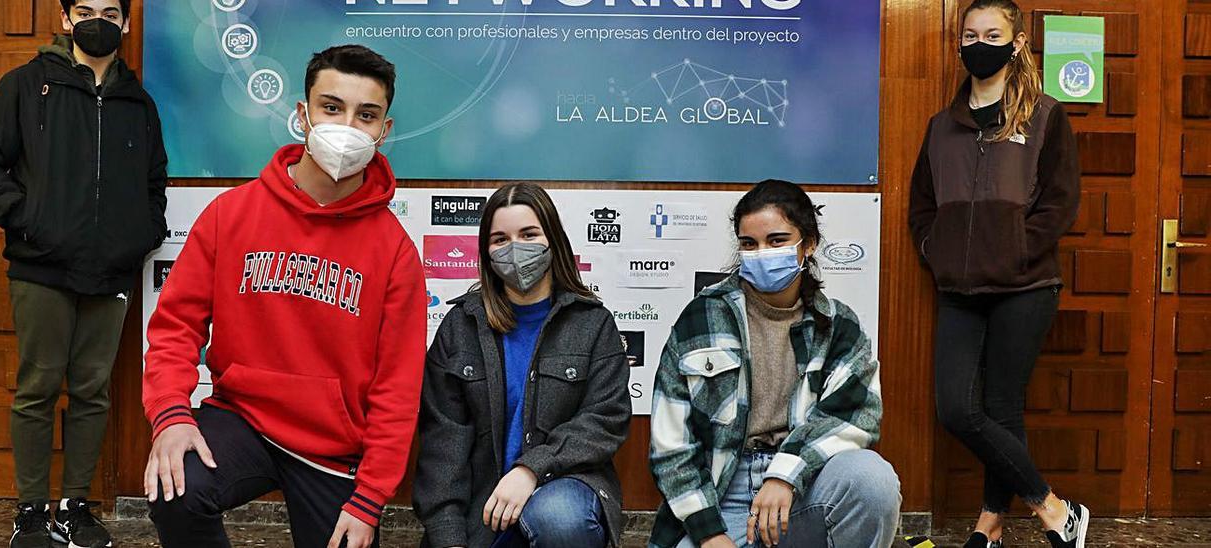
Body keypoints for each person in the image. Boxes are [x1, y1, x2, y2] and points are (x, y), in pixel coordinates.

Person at [141, 44, 426, 548]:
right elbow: (175, 326)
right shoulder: (231, 214)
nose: (347, 126)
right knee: (175, 486)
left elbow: (397, 389)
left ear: (385, 130)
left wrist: (370, 498)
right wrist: (170, 414)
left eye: (367, 115)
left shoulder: (396, 253)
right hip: (244, 420)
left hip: (334, 451)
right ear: (303, 114)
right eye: (331, 107)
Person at [0, 0, 166, 545]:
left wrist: (141, 234)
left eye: (110, 11)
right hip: (41, 269)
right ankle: (30, 511)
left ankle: (75, 506)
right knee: (38, 389)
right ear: (67, 19)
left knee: (93, 391)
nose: (98, 20)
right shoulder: (26, 85)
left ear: (124, 23)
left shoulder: (137, 102)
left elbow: (152, 181)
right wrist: (30, 221)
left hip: (110, 271)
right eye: (86, 10)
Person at [907, 1, 1085, 547]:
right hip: (960, 290)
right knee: (957, 410)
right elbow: (922, 206)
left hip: (1025, 287)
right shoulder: (942, 127)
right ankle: (1054, 507)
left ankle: (991, 522)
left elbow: (1059, 203)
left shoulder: (1045, 116)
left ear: (1016, 43)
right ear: (958, 44)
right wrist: (936, 249)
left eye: (992, 33)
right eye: (969, 34)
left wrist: (1014, 251)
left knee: (1004, 407)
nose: (978, 43)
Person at [648, 180, 900, 548]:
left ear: (808, 244)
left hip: (804, 486)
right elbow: (671, 444)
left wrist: (785, 474)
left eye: (777, 240)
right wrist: (709, 533)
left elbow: (854, 417)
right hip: (721, 492)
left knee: (872, 480)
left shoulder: (839, 326)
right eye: (749, 244)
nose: (762, 252)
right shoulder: (701, 318)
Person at [413, 183, 631, 548]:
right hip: (482, 515)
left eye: (528, 234)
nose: (514, 249)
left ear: (553, 240)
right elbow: (443, 444)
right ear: (485, 251)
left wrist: (531, 469)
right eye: (500, 239)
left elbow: (605, 420)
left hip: (563, 494)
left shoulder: (593, 324)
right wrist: (448, 537)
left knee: (558, 517)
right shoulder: (460, 327)